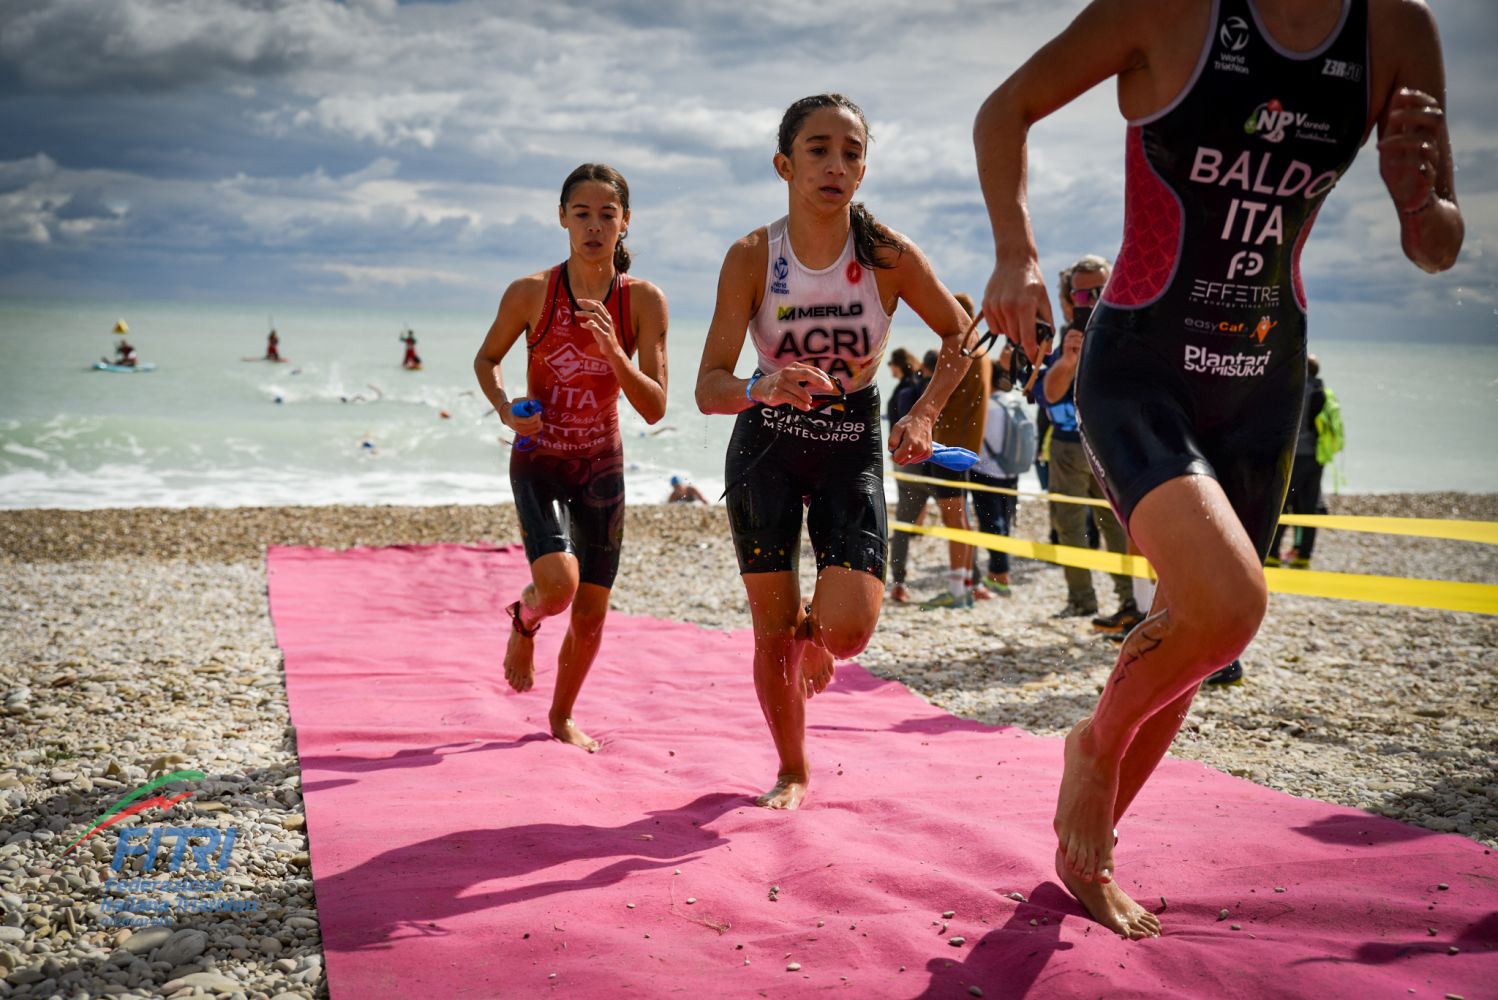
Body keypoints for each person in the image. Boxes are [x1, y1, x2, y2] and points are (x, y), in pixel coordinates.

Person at [976, 0, 1462, 939]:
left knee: (1195, 635)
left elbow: (1437, 247)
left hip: (1264, 381)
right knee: (1227, 605)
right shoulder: (1169, 10)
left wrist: (1417, 197)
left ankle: (1087, 855)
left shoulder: (1397, 31)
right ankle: (1094, 747)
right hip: (1142, 366)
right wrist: (1015, 253)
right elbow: (1007, 109)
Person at [696, 93, 972, 810]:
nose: (835, 166)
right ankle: (792, 770)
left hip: (851, 443)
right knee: (772, 633)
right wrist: (762, 384)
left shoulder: (887, 256)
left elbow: (960, 334)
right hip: (767, 449)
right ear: (784, 165)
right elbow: (708, 387)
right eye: (818, 150)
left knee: (846, 631)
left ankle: (819, 637)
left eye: (851, 153)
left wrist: (925, 414)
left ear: (864, 170)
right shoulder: (753, 257)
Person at [474, 163, 669, 753]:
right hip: (539, 460)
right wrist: (506, 408)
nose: (593, 226)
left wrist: (614, 351)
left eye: (607, 215)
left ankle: (560, 717)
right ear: (562, 218)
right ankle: (526, 617)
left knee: (590, 615)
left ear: (626, 222)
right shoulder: (531, 292)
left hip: (600, 468)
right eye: (581, 214)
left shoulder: (642, 301)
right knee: (558, 589)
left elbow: (655, 406)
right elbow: (487, 359)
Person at [1038, 256, 1136, 627]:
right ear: (1069, 302)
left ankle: (1132, 601)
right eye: (1083, 295)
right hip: (1068, 443)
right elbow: (1049, 395)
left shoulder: (1128, 331)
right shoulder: (1064, 340)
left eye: (1101, 290)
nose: (1093, 300)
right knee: (1070, 525)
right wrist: (1068, 360)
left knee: (1120, 526)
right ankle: (1081, 600)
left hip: (1113, 444)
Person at [916, 291, 992, 609]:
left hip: (948, 446)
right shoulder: (982, 352)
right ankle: (967, 584)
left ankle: (957, 589)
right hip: (967, 446)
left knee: (954, 518)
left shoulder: (962, 350)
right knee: (962, 518)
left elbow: (938, 400)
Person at [969, 349, 1031, 595]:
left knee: (991, 524)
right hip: (1011, 471)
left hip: (986, 471)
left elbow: (977, 442)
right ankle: (1000, 571)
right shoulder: (1013, 401)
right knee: (1004, 521)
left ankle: (1000, 574)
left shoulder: (987, 407)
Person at [886, 348, 938, 602]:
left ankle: (898, 581)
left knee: (903, 526)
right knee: (959, 522)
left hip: (909, 464)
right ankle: (968, 579)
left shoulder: (906, 392)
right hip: (940, 465)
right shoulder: (940, 394)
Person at [1268, 354, 1328, 568]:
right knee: (1309, 506)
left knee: (1283, 503)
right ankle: (1304, 555)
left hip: (1295, 457)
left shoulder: (1297, 391)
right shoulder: (1324, 392)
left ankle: (1272, 553)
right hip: (1316, 457)